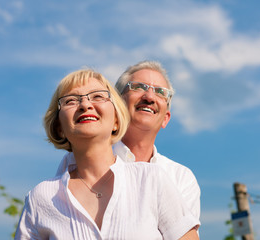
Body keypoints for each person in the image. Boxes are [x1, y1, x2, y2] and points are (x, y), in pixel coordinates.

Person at [15, 69, 199, 239]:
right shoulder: (41, 197)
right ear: (59, 128)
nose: (85, 104)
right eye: (71, 100)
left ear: (117, 121)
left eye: (97, 97)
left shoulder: (152, 179)